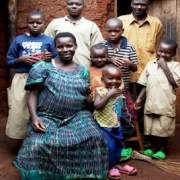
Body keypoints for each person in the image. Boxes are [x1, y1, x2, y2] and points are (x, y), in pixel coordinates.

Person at [14, 32, 108, 180]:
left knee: (94, 138)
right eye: (61, 46)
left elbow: (85, 98)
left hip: (77, 116)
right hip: (47, 116)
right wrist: (34, 117)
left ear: (75, 46)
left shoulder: (83, 71)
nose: (65, 49)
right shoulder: (43, 67)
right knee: (36, 143)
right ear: (55, 48)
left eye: (69, 45)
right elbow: (32, 94)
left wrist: (95, 96)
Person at [6, 11, 56, 141]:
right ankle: (22, 139)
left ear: (44, 24)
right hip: (22, 78)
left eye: (38, 22)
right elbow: (9, 61)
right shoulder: (19, 40)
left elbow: (57, 61)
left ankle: (39, 139)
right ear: (26, 23)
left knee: (40, 109)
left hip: (43, 80)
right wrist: (20, 59)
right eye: (31, 22)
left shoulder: (49, 40)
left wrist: (49, 58)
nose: (35, 25)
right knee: (19, 110)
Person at [134, 39, 180, 159]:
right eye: (161, 51)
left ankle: (162, 149)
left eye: (167, 53)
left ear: (173, 53)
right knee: (150, 127)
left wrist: (165, 67)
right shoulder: (151, 64)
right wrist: (139, 99)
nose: (163, 55)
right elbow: (145, 84)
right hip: (151, 102)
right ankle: (151, 148)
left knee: (163, 128)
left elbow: (175, 83)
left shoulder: (176, 66)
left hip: (165, 103)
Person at [93, 65, 137, 179]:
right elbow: (97, 106)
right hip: (104, 126)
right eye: (111, 78)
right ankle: (108, 167)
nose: (115, 81)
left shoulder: (119, 92)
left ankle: (116, 165)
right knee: (110, 147)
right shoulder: (100, 91)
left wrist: (126, 115)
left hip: (116, 125)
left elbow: (119, 107)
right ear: (103, 80)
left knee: (118, 146)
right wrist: (108, 94)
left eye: (118, 79)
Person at [103, 17, 138, 138]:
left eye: (116, 31)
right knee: (109, 114)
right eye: (110, 31)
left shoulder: (129, 47)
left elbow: (135, 68)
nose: (112, 33)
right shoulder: (103, 46)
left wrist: (130, 63)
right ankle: (112, 138)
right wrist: (109, 59)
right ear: (105, 30)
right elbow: (97, 62)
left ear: (122, 31)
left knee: (125, 116)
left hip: (123, 89)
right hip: (105, 89)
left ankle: (122, 138)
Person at [44, 0, 103, 68]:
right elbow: (46, 44)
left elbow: (99, 49)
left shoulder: (91, 26)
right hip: (59, 71)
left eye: (78, 4)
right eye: (70, 4)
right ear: (66, 5)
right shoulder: (55, 23)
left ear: (83, 6)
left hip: (84, 69)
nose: (74, 6)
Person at [118, 0, 163, 85]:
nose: (139, 7)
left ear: (148, 6)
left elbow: (157, 49)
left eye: (142, 4)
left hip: (148, 73)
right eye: (136, 4)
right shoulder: (121, 20)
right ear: (131, 4)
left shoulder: (156, 23)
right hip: (125, 74)